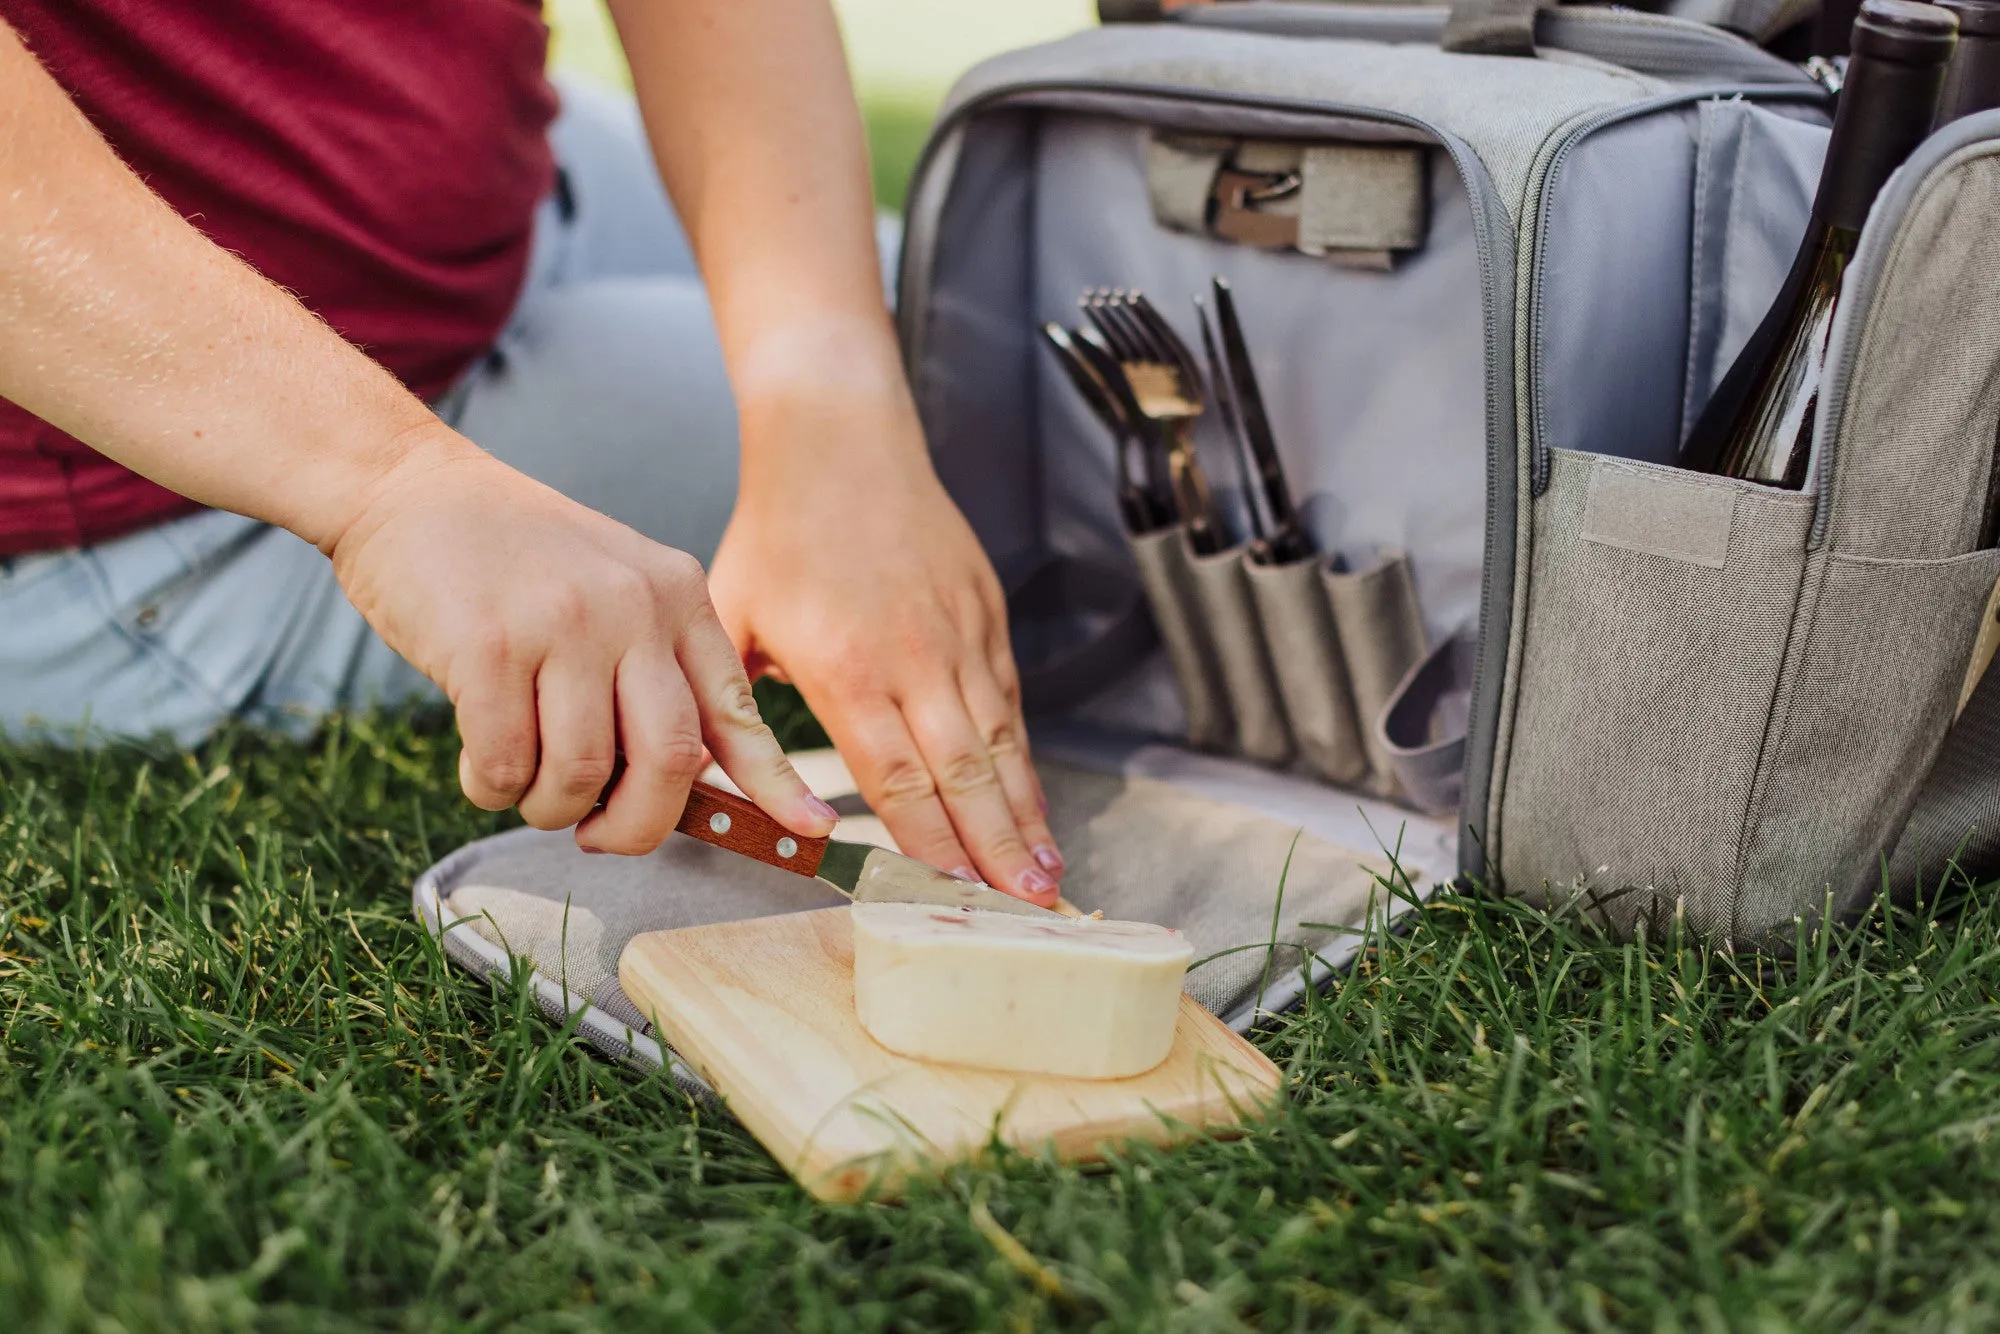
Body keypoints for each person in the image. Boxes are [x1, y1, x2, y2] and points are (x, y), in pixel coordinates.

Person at [0, 1, 1065, 906]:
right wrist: (388, 486)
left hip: (509, 198)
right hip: (153, 451)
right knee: (1033, 401)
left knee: (999, 323)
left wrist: (827, 397)